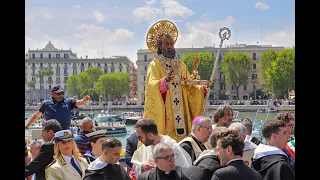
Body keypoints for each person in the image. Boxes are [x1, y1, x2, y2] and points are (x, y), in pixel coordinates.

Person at [143, 20, 207, 142]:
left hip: (182, 112)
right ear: (160, 46)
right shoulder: (155, 64)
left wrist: (202, 88)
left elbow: (189, 86)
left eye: (171, 44)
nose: (169, 47)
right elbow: (151, 85)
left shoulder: (181, 65)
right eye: (166, 44)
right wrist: (164, 82)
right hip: (166, 112)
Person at [25, 85, 90, 130]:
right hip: (51, 134)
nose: (61, 95)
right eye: (59, 93)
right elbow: (36, 116)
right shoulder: (46, 104)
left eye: (62, 93)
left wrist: (85, 100)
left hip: (65, 132)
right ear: (53, 94)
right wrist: (27, 126)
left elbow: (79, 103)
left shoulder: (68, 102)